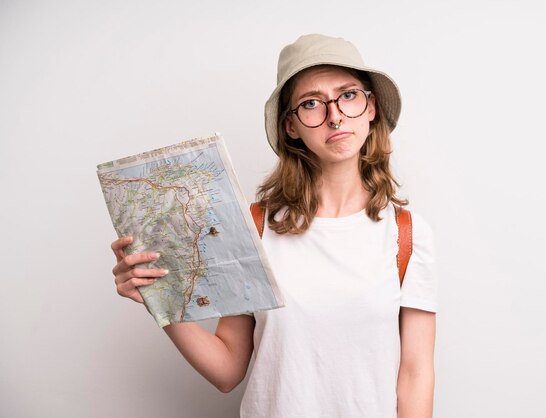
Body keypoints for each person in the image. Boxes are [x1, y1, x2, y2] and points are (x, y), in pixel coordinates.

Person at [110, 34, 438, 418]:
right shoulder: (255, 226)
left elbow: (416, 375)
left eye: (348, 95)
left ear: (371, 108)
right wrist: (158, 298)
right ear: (291, 127)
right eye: (311, 103)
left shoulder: (407, 235)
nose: (334, 115)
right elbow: (227, 371)